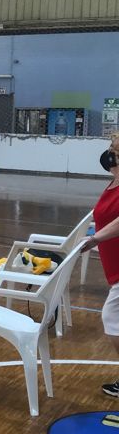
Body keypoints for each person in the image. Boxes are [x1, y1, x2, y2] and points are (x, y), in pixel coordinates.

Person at [81, 134, 119, 397]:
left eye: (113, 149)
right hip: (113, 265)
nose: (109, 153)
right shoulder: (114, 181)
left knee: (111, 316)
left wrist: (96, 238)